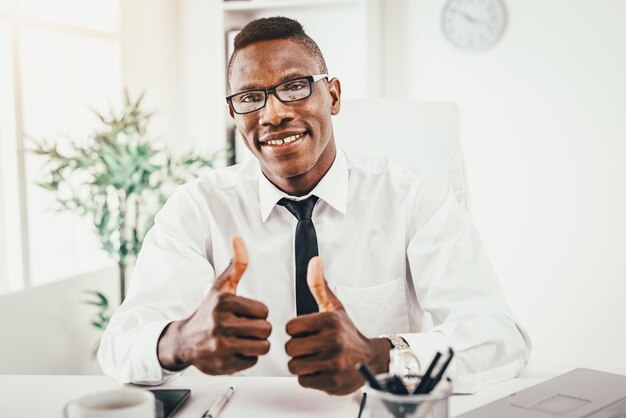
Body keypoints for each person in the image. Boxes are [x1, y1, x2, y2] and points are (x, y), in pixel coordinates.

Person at [98, 16, 530, 395]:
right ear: (234, 114)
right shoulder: (197, 208)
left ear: (334, 96)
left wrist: (379, 356)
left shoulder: (415, 199)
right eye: (250, 98)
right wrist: (179, 341)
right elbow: (119, 344)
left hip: (377, 408)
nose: (272, 115)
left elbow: (499, 337)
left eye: (293, 86)